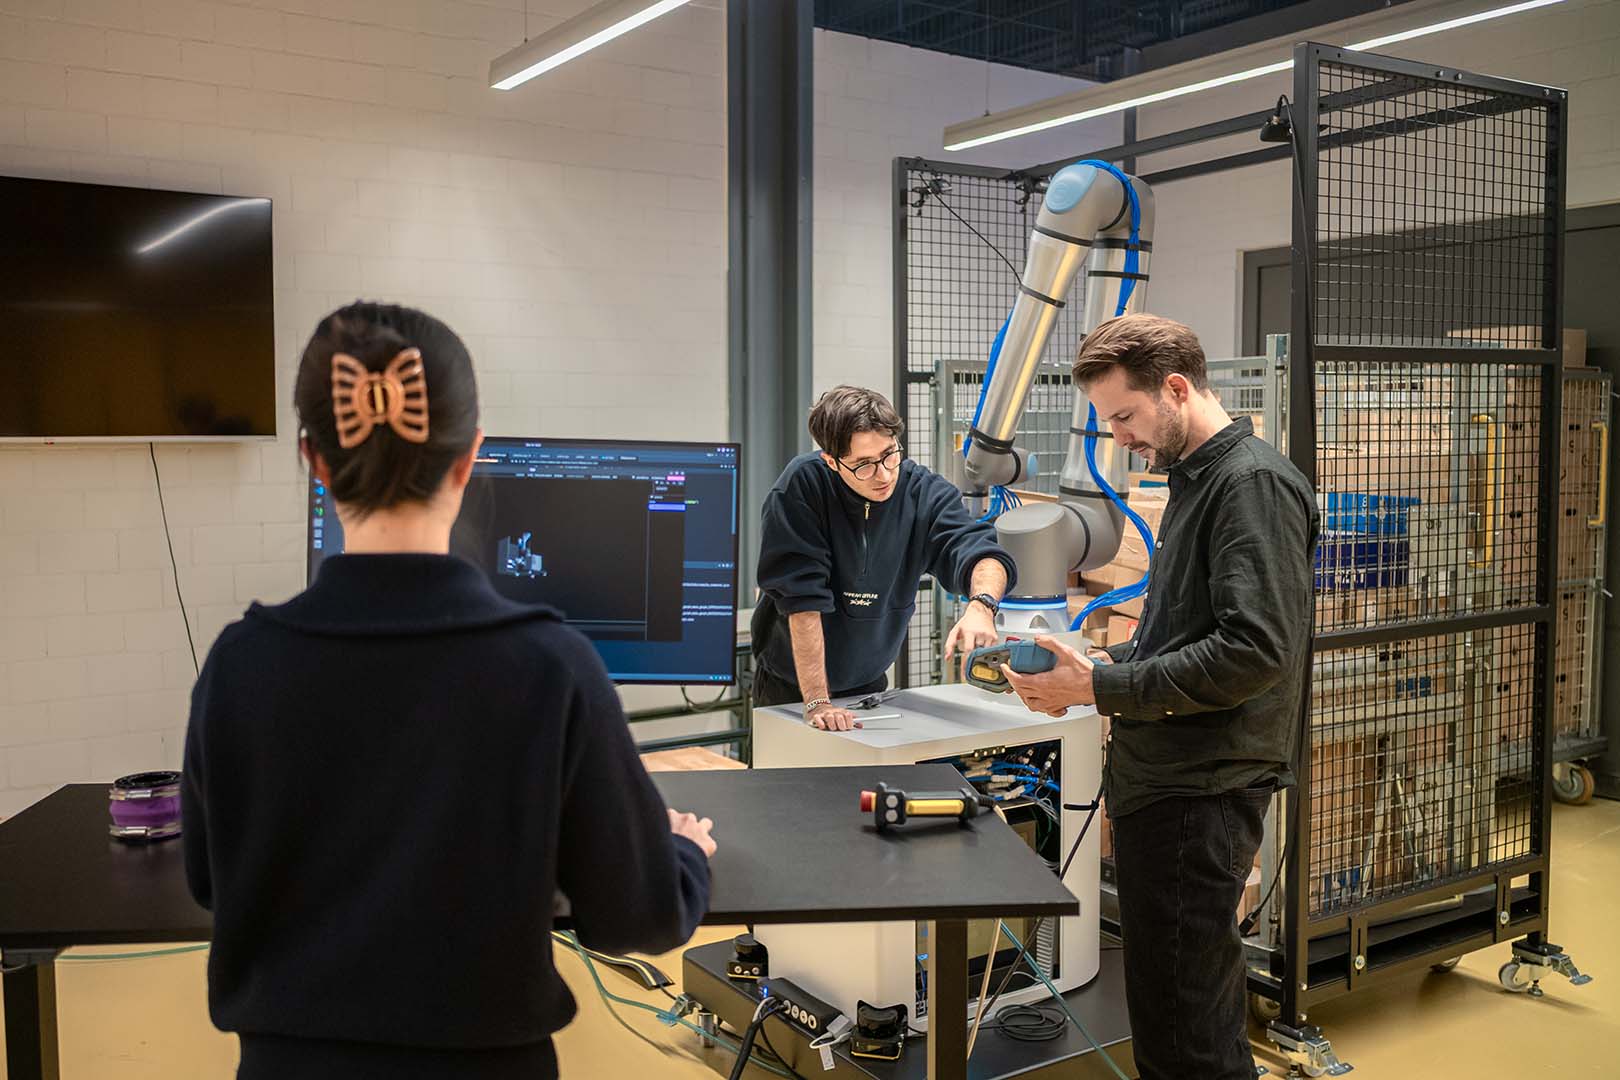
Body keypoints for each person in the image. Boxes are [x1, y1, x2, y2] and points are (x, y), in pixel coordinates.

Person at [181, 301, 716, 1080]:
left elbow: (208, 880)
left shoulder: (238, 664)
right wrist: (684, 853)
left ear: (314, 461)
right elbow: (637, 915)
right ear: (470, 459)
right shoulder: (551, 666)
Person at [1000, 314, 1318, 1080]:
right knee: (1183, 1013)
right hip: (1169, 788)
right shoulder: (1197, 481)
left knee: (1186, 1034)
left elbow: (1255, 651)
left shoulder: (1249, 486)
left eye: (1125, 416)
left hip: (1199, 794)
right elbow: (1187, 631)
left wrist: (1099, 685)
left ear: (1176, 388)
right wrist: (1095, 663)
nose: (1118, 437)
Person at [751, 385, 1016, 730]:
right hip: (792, 688)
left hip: (868, 684)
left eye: (890, 454)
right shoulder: (802, 487)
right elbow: (802, 602)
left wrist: (982, 606)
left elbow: (979, 550)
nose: (884, 475)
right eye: (863, 465)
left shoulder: (921, 492)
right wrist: (817, 702)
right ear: (831, 461)